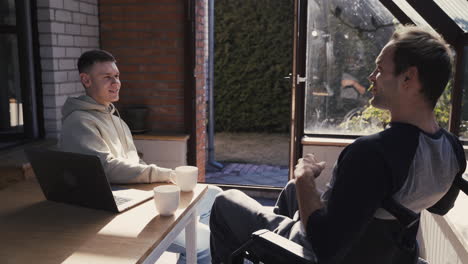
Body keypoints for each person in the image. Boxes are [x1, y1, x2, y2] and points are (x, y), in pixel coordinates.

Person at [209, 26, 466, 264]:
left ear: (409, 78)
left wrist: (304, 178)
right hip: (385, 251)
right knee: (290, 191)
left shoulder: (372, 154)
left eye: (379, 69)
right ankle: (270, 247)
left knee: (226, 201)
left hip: (322, 251)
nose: (371, 76)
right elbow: (438, 206)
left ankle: (275, 245)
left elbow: (326, 247)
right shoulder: (452, 150)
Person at [60, 49, 221, 264]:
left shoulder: (117, 120)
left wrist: (159, 180)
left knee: (214, 196)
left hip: (137, 197)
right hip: (113, 211)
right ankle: (196, 245)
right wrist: (166, 174)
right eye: (107, 77)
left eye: (116, 76)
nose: (115, 83)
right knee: (206, 241)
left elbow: (134, 163)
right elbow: (105, 168)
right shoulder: (79, 122)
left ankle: (192, 240)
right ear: (86, 80)